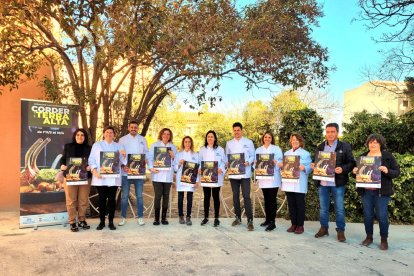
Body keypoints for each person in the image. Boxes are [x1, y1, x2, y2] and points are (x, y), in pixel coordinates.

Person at [352, 134, 400, 250]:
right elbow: (357, 175)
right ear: (368, 144)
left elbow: (396, 172)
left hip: (382, 192)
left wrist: (387, 170)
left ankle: (384, 239)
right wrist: (354, 171)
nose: (373, 144)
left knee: (382, 216)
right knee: (368, 215)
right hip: (366, 192)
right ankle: (369, 237)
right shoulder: (363, 156)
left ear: (380, 144)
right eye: (370, 142)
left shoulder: (387, 156)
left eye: (375, 142)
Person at [312, 123, 355, 242]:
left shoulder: (345, 146)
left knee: (339, 208)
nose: (330, 134)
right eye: (328, 132)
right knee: (323, 208)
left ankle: (340, 231)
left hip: (338, 183)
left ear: (337, 132)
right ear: (325, 133)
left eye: (332, 131)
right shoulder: (320, 146)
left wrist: (343, 169)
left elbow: (351, 163)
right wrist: (313, 165)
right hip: (323, 183)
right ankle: (324, 228)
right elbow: (316, 161)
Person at [88, 126, 123, 230]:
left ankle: (111, 222)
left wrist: (124, 155)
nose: (109, 134)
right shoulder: (97, 145)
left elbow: (122, 162)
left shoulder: (118, 146)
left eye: (111, 132)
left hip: (113, 177)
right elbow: (91, 159)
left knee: (112, 200)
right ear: (104, 134)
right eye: (107, 132)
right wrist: (94, 171)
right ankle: (102, 222)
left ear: (114, 134)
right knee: (102, 199)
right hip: (100, 177)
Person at [118, 120, 149, 226]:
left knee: (139, 196)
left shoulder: (142, 139)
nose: (133, 129)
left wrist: (146, 160)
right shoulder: (122, 140)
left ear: (138, 128)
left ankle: (140, 217)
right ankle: (123, 218)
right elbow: (119, 154)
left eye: (135, 127)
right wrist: (123, 165)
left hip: (138, 172)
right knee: (124, 196)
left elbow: (146, 152)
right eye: (131, 127)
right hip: (126, 172)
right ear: (128, 128)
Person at [225, 122, 255, 231]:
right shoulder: (229, 143)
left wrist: (248, 162)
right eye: (235, 130)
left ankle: (250, 220)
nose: (236, 132)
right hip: (234, 174)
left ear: (241, 131)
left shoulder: (249, 142)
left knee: (246, 196)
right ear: (233, 131)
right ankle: (238, 217)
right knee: (235, 196)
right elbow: (227, 158)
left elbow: (253, 156)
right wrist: (227, 163)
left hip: (245, 173)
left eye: (238, 130)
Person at [61, 128, 92, 232]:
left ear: (85, 137)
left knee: (83, 200)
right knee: (71, 201)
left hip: (85, 177)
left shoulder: (90, 148)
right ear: (75, 136)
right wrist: (62, 165)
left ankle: (82, 220)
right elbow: (63, 159)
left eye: (82, 135)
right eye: (78, 135)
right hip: (70, 178)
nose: (80, 137)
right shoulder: (68, 146)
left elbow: (93, 160)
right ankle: (72, 222)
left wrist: (90, 167)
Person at [280, 133, 312, 234]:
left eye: (296, 140)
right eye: (293, 140)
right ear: (291, 141)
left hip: (299, 183)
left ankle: (300, 225)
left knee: (299, 204)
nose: (294, 141)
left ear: (300, 141)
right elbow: (284, 167)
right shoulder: (286, 153)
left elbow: (310, 167)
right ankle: (293, 224)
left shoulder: (305, 153)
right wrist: (281, 165)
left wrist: (305, 168)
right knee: (291, 204)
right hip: (288, 182)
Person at [254, 131, 283, 232]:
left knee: (272, 200)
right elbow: (255, 164)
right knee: (266, 200)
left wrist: (276, 162)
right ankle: (267, 219)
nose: (267, 139)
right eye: (265, 137)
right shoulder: (258, 150)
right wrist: (255, 163)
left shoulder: (276, 149)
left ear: (272, 139)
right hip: (263, 179)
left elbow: (281, 162)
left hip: (273, 179)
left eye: (269, 137)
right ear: (263, 138)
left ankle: (272, 222)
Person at [148, 128, 177, 225]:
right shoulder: (155, 145)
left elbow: (176, 163)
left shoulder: (173, 147)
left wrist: (173, 156)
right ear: (161, 134)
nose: (166, 136)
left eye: (168, 134)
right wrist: (151, 168)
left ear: (170, 136)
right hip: (157, 175)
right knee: (157, 196)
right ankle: (156, 218)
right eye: (164, 134)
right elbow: (150, 158)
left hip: (168, 176)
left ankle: (164, 218)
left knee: (166, 196)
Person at [198, 130, 226, 227]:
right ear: (206, 138)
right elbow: (199, 161)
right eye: (208, 136)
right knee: (206, 197)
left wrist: (221, 168)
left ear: (214, 138)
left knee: (215, 197)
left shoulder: (220, 149)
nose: (210, 138)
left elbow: (224, 161)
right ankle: (206, 217)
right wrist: (199, 169)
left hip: (216, 176)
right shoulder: (202, 149)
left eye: (212, 136)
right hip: (206, 176)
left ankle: (216, 218)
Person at [174, 136, 199, 226]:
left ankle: (188, 216)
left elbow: (198, 169)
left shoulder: (196, 155)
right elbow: (175, 169)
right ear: (183, 143)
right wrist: (179, 163)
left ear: (191, 143)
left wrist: (197, 180)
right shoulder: (178, 154)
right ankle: (181, 216)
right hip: (181, 179)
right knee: (180, 197)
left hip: (191, 179)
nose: (187, 144)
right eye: (185, 142)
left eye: (189, 142)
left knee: (190, 198)